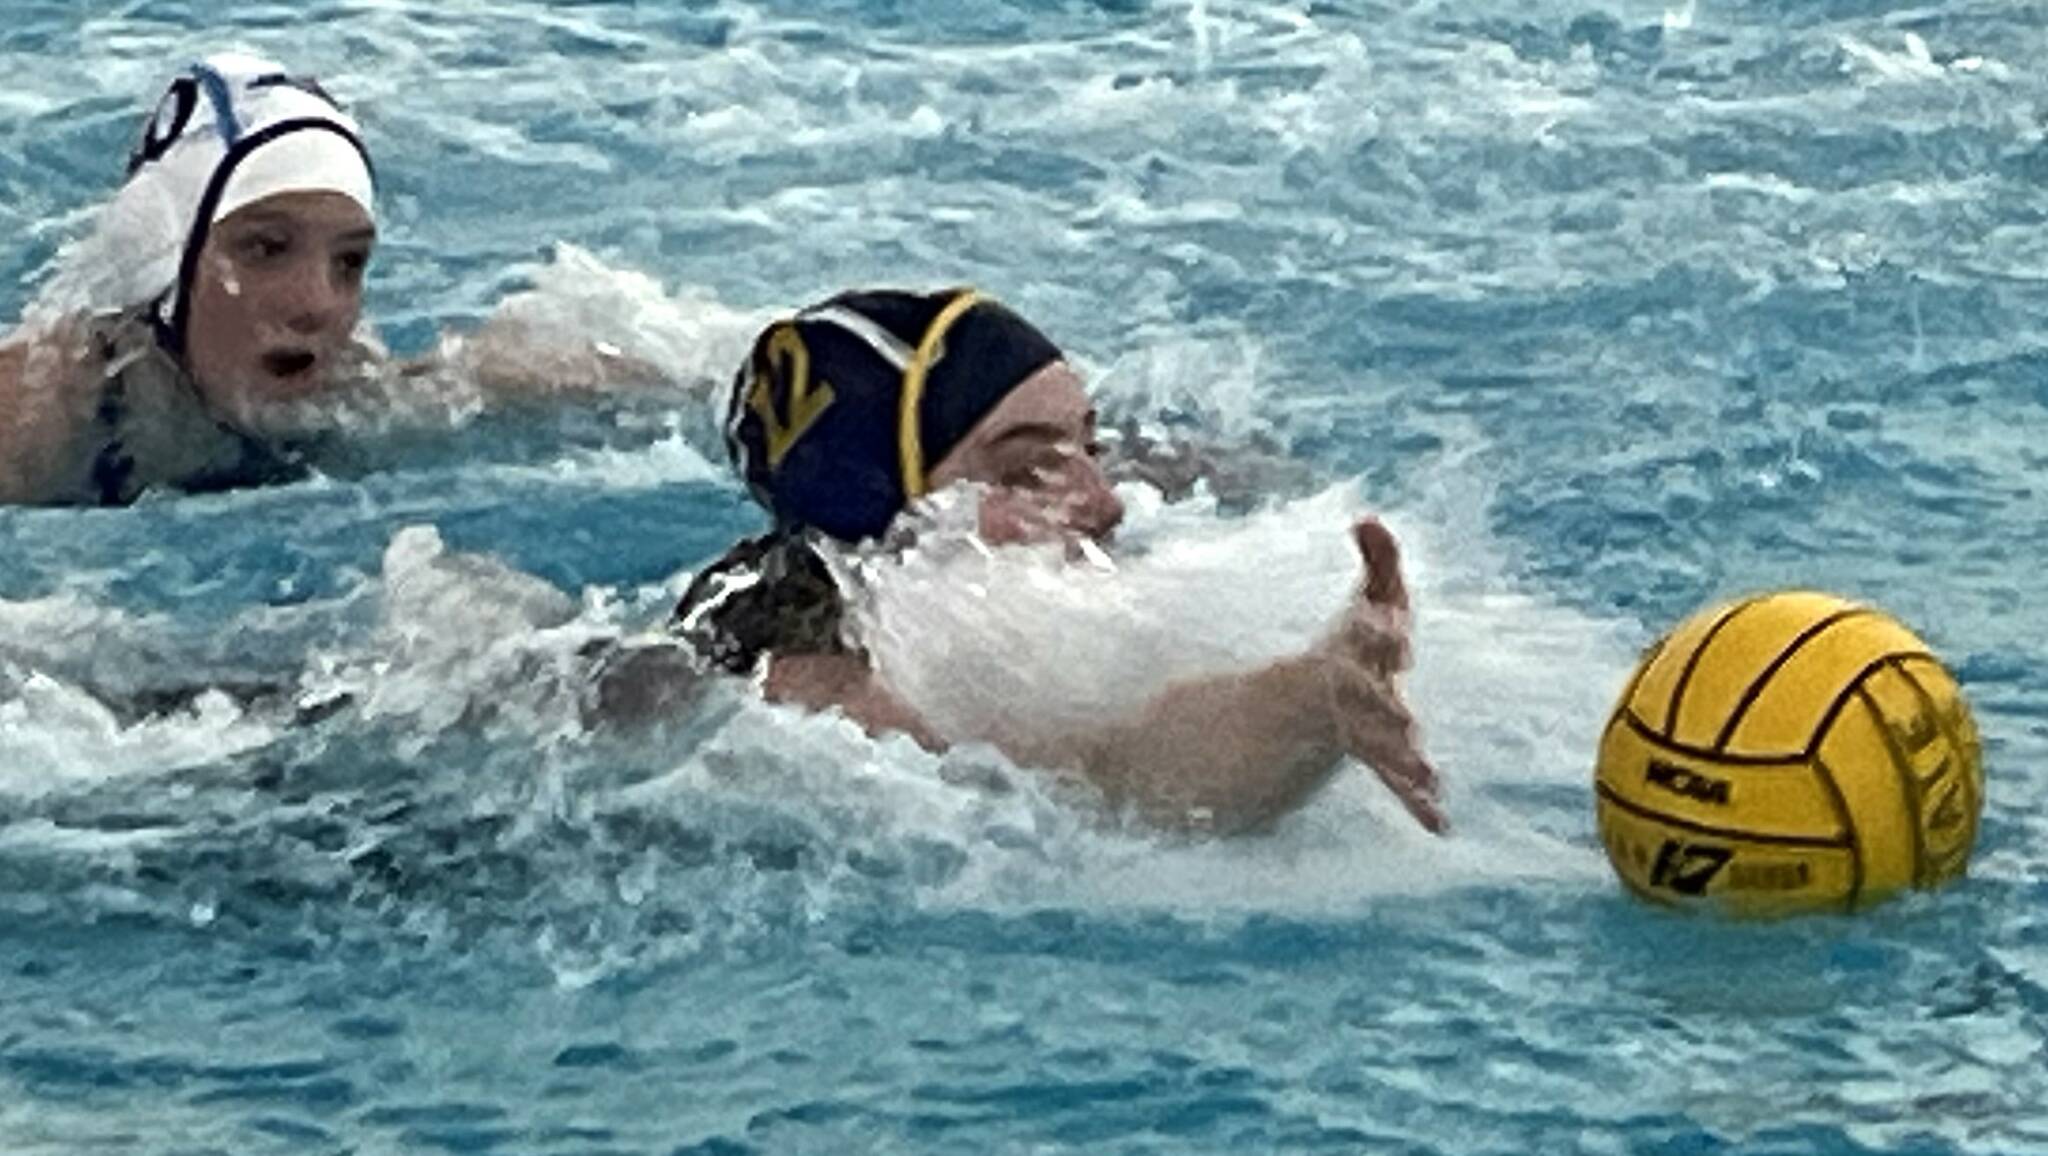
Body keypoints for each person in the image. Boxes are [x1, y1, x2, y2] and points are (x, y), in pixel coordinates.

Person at [622, 287, 1448, 837]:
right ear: (883, 518)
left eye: (1091, 448)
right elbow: (1096, 786)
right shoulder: (810, 692)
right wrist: (1304, 708)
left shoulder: (965, 621)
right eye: (1028, 470)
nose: (1108, 502)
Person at [0, 52, 653, 507]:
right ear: (167, 265)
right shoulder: (49, 407)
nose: (317, 304)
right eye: (266, 248)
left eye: (349, 263)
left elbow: (512, 378)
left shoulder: (355, 397)